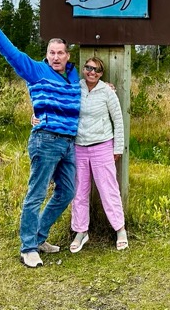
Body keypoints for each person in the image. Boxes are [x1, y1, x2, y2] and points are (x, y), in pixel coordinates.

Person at [0, 7, 81, 268]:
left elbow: (88, 92)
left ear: (67, 55)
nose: (56, 57)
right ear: (46, 55)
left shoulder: (73, 77)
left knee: (68, 191)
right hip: (46, 140)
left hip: (69, 143)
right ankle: (28, 247)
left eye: (60, 53)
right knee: (36, 194)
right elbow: (12, 54)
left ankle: (38, 236)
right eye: (52, 53)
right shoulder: (36, 71)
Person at [68, 56, 128, 252]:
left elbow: (118, 120)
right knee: (79, 191)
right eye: (88, 68)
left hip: (102, 145)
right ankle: (80, 231)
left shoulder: (107, 92)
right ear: (83, 69)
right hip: (79, 147)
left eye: (96, 70)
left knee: (108, 189)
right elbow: (61, 106)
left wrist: (117, 148)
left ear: (101, 73)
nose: (92, 72)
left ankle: (120, 229)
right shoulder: (76, 88)